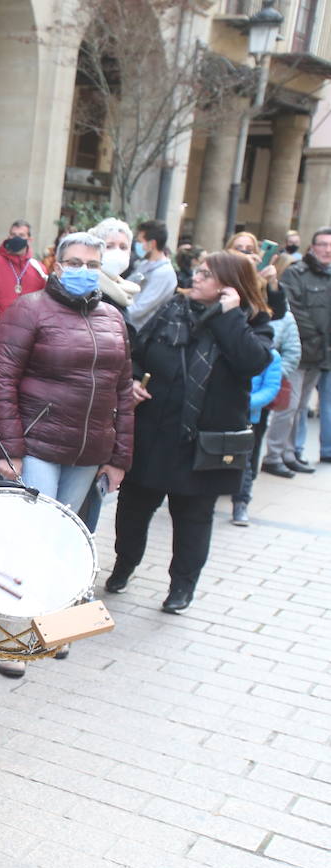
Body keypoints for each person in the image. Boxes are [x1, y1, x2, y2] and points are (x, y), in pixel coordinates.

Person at [0, 232, 134, 676]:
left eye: (91, 263)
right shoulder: (28, 309)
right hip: (39, 444)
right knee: (35, 534)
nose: (83, 270)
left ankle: (53, 623)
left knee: (67, 536)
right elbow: (1, 380)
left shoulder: (112, 317)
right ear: (56, 263)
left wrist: (120, 457)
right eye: (74, 261)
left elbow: (122, 392)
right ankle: (13, 629)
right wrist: (10, 447)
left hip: (89, 449)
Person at [104, 252, 272, 614]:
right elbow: (137, 352)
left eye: (206, 274)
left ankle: (182, 587)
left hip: (205, 442)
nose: (196, 277)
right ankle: (124, 564)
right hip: (155, 431)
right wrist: (132, 380)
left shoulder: (251, 321)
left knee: (193, 519)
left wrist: (229, 317)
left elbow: (252, 362)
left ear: (229, 285)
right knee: (133, 509)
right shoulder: (173, 309)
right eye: (198, 270)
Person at [272, 228, 331, 470]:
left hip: (321, 355)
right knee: (288, 406)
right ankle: (273, 455)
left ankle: (289, 453)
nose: (328, 250)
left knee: (301, 407)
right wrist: (318, 338)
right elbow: (294, 310)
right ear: (312, 247)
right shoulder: (296, 273)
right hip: (300, 351)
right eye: (323, 245)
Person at [232, 326, 286, 524]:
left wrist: (244, 402)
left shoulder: (271, 356)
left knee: (244, 462)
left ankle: (240, 503)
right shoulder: (231, 349)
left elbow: (271, 388)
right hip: (224, 413)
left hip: (249, 417)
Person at [0, 219, 46, 314]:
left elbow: (45, 302)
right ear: (8, 237)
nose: (16, 238)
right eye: (13, 235)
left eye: (21, 235)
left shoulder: (39, 269)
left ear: (30, 239)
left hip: (28, 325)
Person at [88, 217, 141, 310]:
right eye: (109, 246)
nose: (117, 252)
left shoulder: (125, 290)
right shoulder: (89, 292)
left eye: (123, 247)